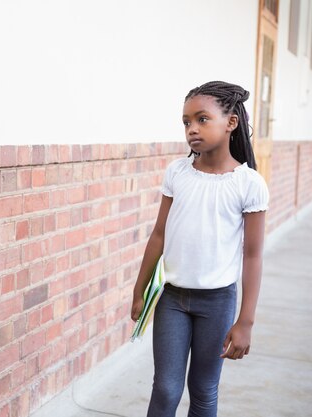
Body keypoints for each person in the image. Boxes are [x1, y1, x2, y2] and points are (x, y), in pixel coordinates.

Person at [130, 81, 269, 417]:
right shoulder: (178, 172)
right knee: (165, 388)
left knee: (204, 390)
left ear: (231, 122)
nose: (192, 129)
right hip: (172, 300)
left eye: (202, 119)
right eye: (186, 122)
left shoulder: (248, 184)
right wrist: (139, 290)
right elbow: (159, 234)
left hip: (218, 303)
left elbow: (252, 255)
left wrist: (245, 321)